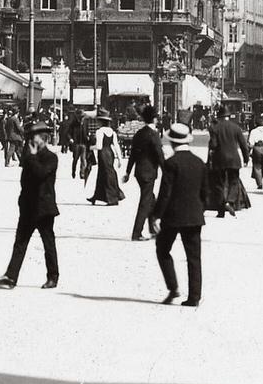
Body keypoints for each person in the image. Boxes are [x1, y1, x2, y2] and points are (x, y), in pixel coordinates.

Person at [0, 119, 60, 289]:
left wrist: (32, 157)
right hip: (29, 207)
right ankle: (11, 276)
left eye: (34, 137)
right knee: (20, 243)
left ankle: (53, 277)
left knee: (48, 243)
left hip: (44, 208)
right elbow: (25, 180)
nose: (31, 140)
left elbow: (40, 174)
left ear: (43, 138)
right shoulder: (30, 156)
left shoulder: (51, 157)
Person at [156, 121, 206, 306]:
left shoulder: (171, 163)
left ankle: (173, 288)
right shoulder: (199, 162)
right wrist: (200, 209)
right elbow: (205, 192)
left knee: (162, 249)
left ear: (172, 142)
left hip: (173, 216)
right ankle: (194, 297)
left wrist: (156, 215)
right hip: (194, 216)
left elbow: (165, 193)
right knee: (194, 257)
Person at [125, 104, 165, 240]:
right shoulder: (153, 135)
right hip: (149, 173)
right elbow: (159, 155)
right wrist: (167, 171)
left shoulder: (139, 134)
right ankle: (137, 233)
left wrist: (128, 172)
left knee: (150, 199)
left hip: (139, 172)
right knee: (145, 202)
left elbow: (133, 154)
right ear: (154, 119)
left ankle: (153, 229)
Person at [207, 110, 250, 216]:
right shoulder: (236, 128)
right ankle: (230, 202)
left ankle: (221, 211)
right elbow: (243, 145)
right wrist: (246, 159)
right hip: (234, 159)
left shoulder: (215, 128)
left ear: (219, 117)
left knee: (219, 184)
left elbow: (213, 145)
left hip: (219, 159)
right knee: (234, 181)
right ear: (228, 117)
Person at [88, 111, 125, 206]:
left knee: (105, 174)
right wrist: (120, 159)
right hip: (110, 153)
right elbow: (116, 145)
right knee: (105, 173)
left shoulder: (99, 131)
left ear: (101, 121)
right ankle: (97, 196)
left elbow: (99, 146)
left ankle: (112, 198)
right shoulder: (112, 132)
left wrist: (90, 147)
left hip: (103, 154)